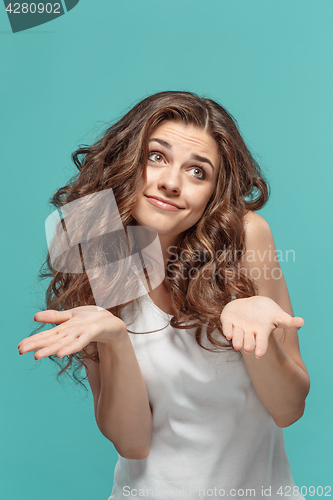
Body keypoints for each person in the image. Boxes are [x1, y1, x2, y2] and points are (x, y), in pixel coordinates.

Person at [18, 91, 310, 499]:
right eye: (156, 156)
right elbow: (133, 442)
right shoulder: (102, 241)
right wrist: (115, 339)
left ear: (213, 192)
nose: (171, 183)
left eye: (197, 172)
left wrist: (255, 338)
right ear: (127, 159)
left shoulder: (243, 236)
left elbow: (288, 409)